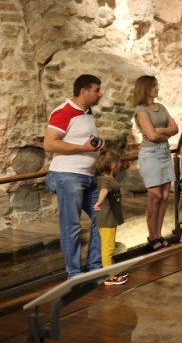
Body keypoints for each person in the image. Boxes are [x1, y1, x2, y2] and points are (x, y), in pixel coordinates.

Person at [44, 74, 105, 279]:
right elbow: (49, 144)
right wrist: (83, 148)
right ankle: (74, 274)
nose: (100, 94)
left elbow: (82, 140)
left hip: (87, 176)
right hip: (68, 176)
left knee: (103, 216)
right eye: (97, 90)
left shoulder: (87, 112)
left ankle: (95, 267)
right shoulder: (64, 111)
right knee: (72, 226)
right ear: (83, 91)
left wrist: (97, 146)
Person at [133, 75, 178, 251]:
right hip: (150, 154)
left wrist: (161, 130)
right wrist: (165, 133)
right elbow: (151, 136)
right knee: (155, 196)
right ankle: (152, 236)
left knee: (165, 196)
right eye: (154, 86)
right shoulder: (141, 110)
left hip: (164, 152)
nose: (157, 88)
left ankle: (159, 234)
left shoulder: (161, 107)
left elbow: (176, 128)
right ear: (145, 88)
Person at [94, 150, 128, 286]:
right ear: (114, 166)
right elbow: (104, 191)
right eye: (119, 163)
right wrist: (100, 202)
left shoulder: (107, 179)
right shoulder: (107, 181)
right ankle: (109, 276)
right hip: (107, 220)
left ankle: (112, 270)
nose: (120, 166)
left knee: (109, 246)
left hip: (109, 219)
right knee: (107, 248)